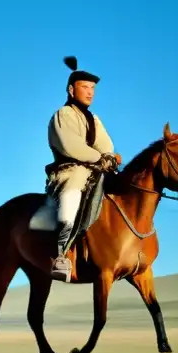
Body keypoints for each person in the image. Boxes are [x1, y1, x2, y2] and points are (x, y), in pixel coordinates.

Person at [46, 56, 121, 282]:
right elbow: (71, 146)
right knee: (71, 203)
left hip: (95, 170)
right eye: (85, 87)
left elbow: (106, 144)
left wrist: (108, 157)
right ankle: (60, 254)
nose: (90, 92)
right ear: (71, 89)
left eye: (93, 89)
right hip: (70, 172)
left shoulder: (93, 118)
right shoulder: (63, 114)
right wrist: (100, 158)